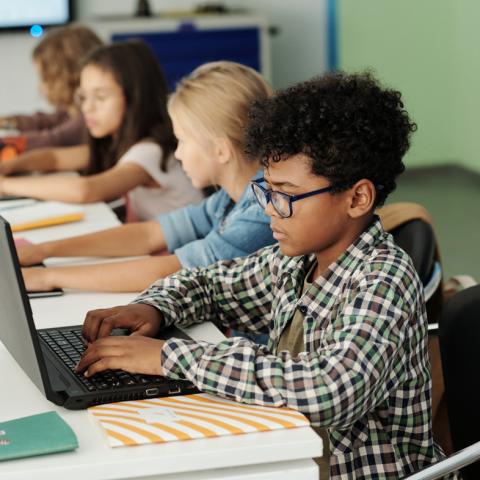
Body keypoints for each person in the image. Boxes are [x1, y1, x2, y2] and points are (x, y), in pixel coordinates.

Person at [75, 71, 452, 479]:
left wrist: (167, 356)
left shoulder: (384, 279)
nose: (271, 208)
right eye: (267, 190)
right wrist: (153, 308)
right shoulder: (295, 261)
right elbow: (209, 284)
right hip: (296, 457)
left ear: (358, 198)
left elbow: (329, 391)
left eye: (286, 194)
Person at [16, 61, 275, 293]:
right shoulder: (227, 200)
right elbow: (149, 234)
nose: (179, 153)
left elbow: (170, 270)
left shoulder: (263, 211)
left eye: (183, 141)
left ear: (220, 150)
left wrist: (46, 276)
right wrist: (43, 250)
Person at [0, 40, 202, 221]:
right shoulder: (118, 142)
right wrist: (9, 167)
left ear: (135, 97)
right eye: (84, 97)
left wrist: (5, 185)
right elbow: (54, 158)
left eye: (101, 97)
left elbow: (85, 190)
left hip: (180, 256)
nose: (87, 108)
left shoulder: (150, 151)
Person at [0, 24, 102, 151]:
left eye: (45, 79)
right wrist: (4, 122)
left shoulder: (89, 114)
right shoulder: (70, 110)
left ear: (66, 76)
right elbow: (47, 121)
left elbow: (54, 139)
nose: (40, 87)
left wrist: (4, 143)